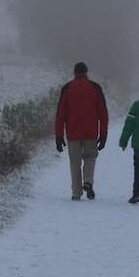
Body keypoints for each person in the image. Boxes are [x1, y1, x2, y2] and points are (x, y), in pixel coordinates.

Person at [55, 62, 109, 201]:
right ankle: (88, 182)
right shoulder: (95, 88)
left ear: (74, 73)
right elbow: (103, 114)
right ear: (86, 72)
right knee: (90, 157)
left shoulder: (67, 88)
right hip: (91, 132)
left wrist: (59, 136)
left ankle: (76, 193)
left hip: (73, 133)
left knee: (75, 162)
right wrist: (103, 135)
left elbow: (60, 114)